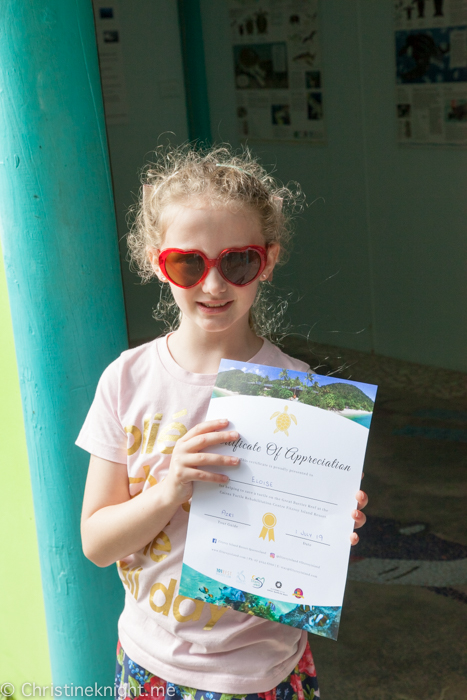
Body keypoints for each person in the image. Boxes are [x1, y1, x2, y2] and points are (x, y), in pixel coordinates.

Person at [77, 145, 368, 700]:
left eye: (237, 262)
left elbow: (302, 555)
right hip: (151, 665)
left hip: (266, 670)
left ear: (269, 259)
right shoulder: (126, 380)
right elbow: (96, 543)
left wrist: (326, 522)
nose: (213, 285)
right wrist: (170, 488)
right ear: (156, 261)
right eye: (189, 263)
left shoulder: (299, 391)